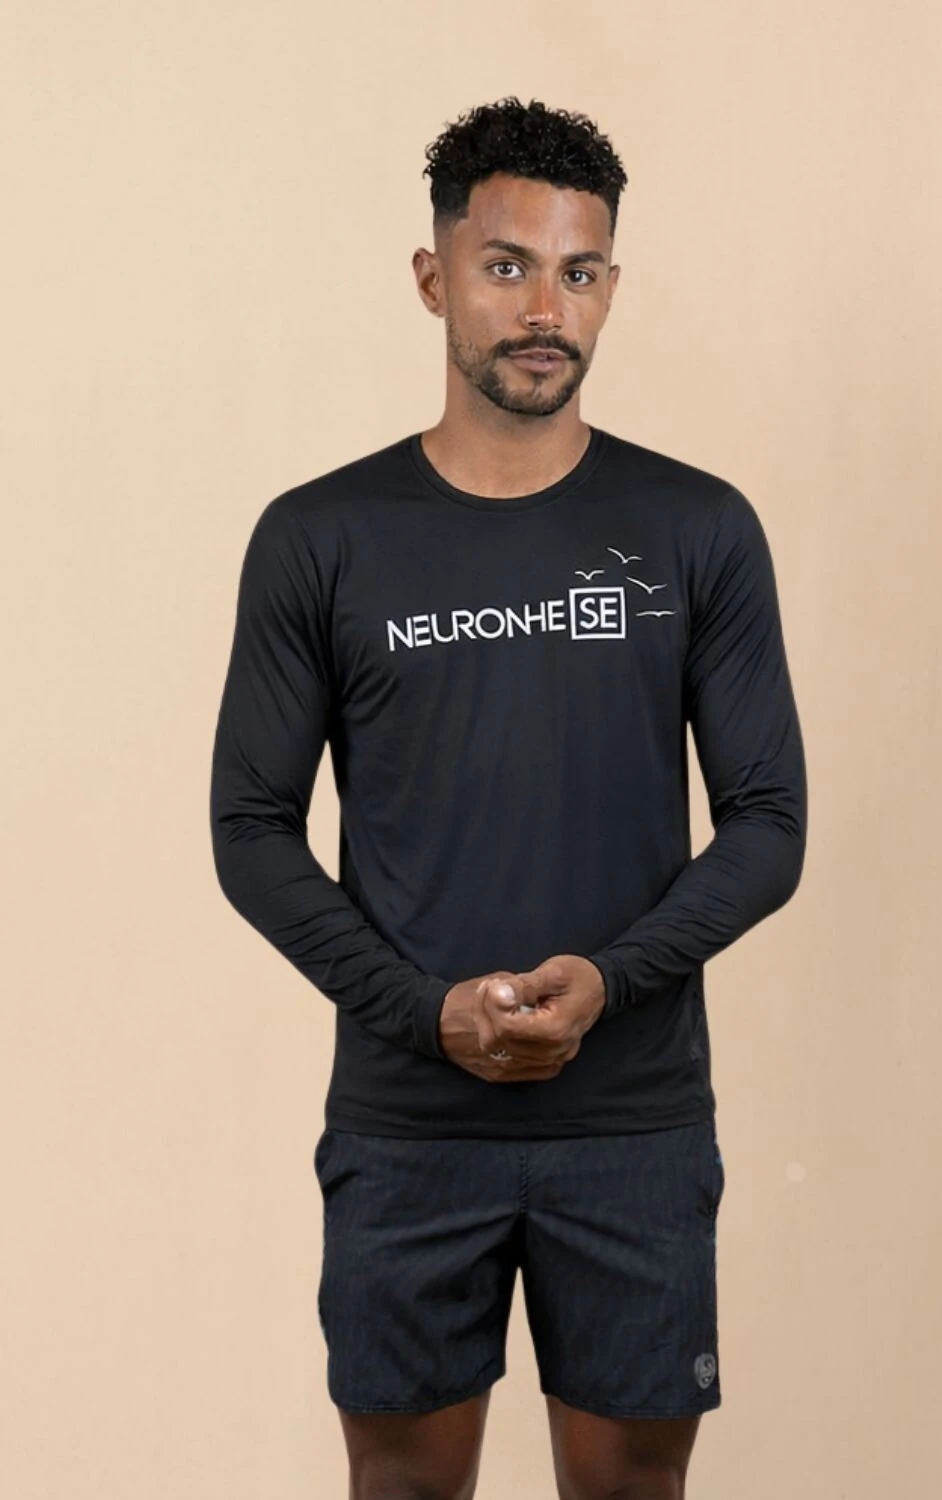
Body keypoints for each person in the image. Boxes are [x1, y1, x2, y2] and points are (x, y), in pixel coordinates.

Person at [209, 94, 807, 1500]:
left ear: (611, 285)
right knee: (405, 1491)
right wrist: (423, 1013)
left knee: (630, 1491)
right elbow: (250, 829)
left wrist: (611, 981)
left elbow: (770, 821)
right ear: (435, 279)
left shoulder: (696, 528)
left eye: (578, 271)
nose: (546, 308)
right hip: (408, 1129)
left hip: (634, 1127)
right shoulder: (321, 538)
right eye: (506, 266)